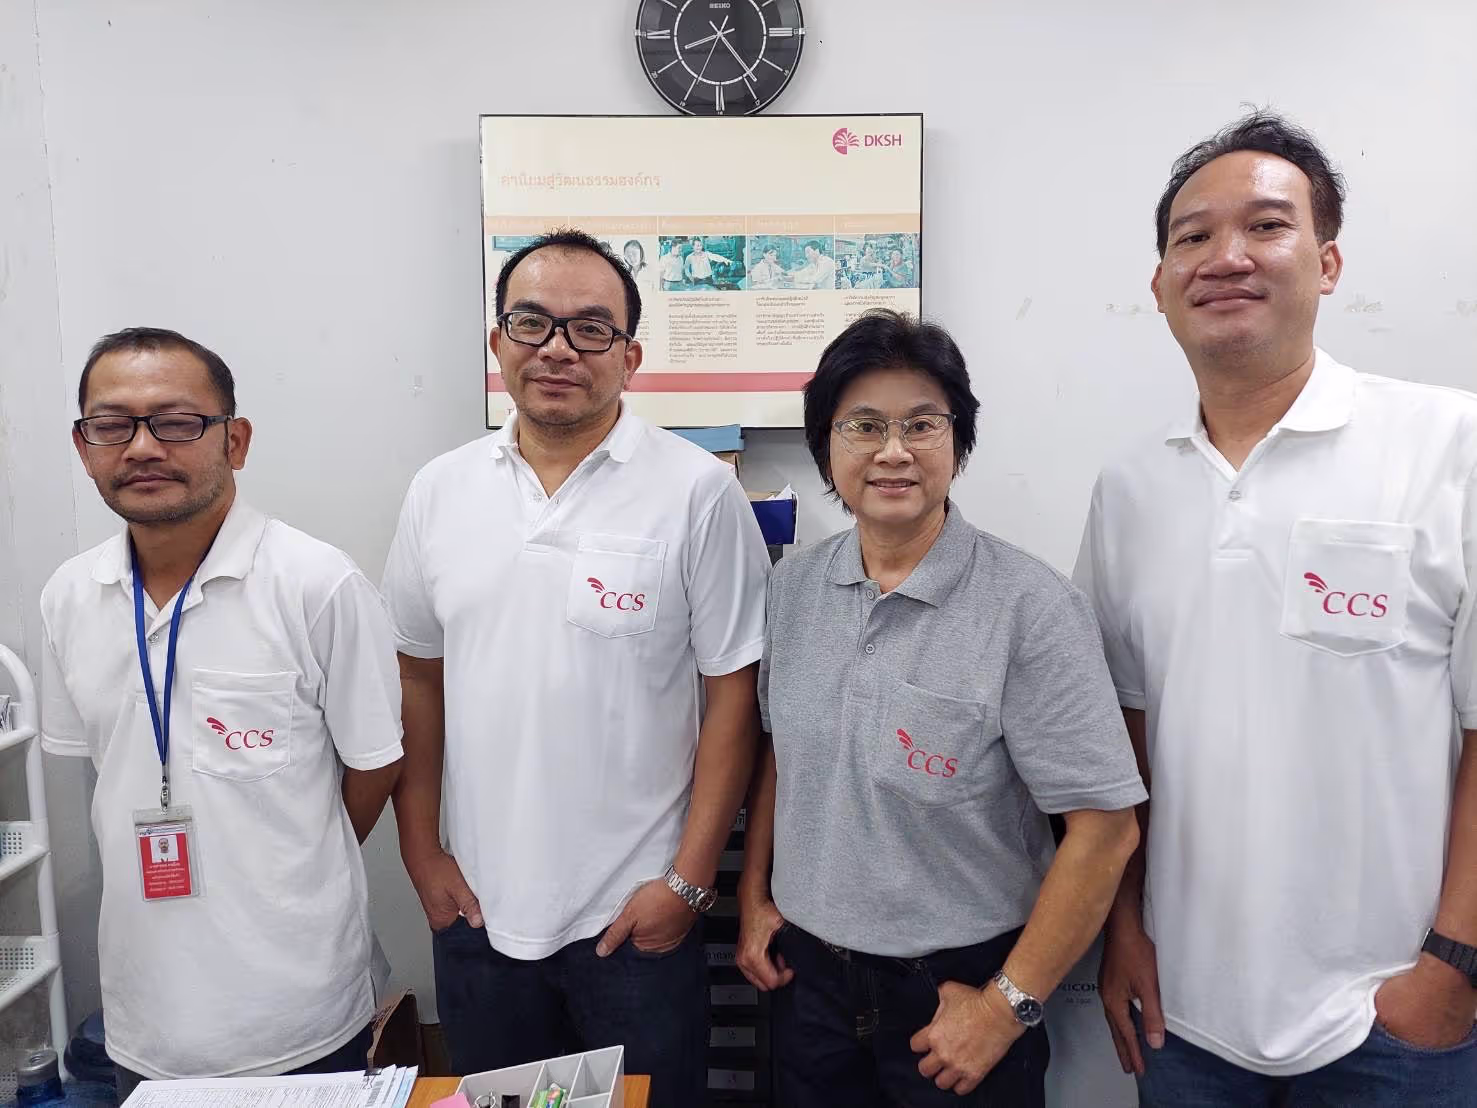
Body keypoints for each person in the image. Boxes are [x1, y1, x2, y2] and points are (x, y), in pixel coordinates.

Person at [1077, 110, 1477, 1105]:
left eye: (1265, 226)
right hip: (1183, 1015)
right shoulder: (1129, 488)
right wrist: (1121, 932)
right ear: (1160, 288)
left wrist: (1451, 968)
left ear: (1328, 263)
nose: (1224, 257)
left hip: (1388, 1018)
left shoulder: (1446, 445)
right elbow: (1112, 735)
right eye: (1191, 236)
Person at [382, 228, 770, 1104]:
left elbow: (733, 698)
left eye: (590, 329)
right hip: (479, 914)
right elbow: (416, 674)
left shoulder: (697, 491)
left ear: (629, 356)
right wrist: (419, 850)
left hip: (634, 921)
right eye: (532, 323)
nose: (558, 348)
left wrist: (690, 879)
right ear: (497, 343)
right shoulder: (439, 491)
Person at [738, 309, 1145, 1105]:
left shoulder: (1029, 608)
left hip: (957, 990)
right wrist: (754, 900)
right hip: (807, 984)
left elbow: (1105, 828)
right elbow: (779, 755)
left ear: (957, 443)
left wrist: (1005, 1007)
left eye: (921, 424)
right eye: (863, 425)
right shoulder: (790, 590)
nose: (892, 451)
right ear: (827, 444)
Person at [40, 328, 403, 1101]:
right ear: (83, 446)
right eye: (112, 425)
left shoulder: (316, 585)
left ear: (234, 440)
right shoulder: (69, 596)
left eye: (175, 422)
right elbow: (106, 771)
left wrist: (288, 859)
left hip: (299, 1007)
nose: (141, 446)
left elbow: (375, 765)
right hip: (146, 1012)